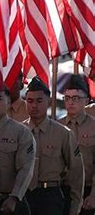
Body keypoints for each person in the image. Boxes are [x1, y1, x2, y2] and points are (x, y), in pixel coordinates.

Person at [23, 76, 84, 215]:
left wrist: (75, 206)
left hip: (50, 196)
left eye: (39, 101)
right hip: (22, 195)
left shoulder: (62, 133)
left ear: (49, 102)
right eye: (30, 101)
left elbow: (76, 173)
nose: (34, 106)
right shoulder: (18, 132)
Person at [0, 89, 36, 215]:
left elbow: (26, 168)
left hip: (12, 202)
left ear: (8, 103)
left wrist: (14, 197)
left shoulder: (21, 132)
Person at [59, 74, 95, 214]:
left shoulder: (93, 126)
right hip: (63, 190)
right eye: (67, 98)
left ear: (86, 100)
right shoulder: (57, 127)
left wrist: (93, 195)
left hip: (87, 190)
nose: (70, 103)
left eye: (75, 98)